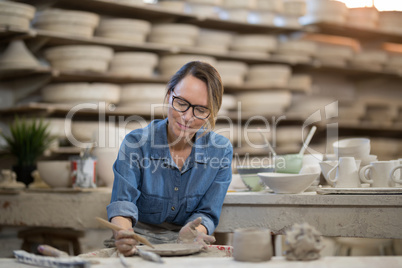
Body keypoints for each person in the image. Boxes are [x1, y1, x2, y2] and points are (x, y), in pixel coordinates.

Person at [107, 61, 233, 256]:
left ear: (211, 114)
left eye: (200, 110)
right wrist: (123, 233)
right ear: (169, 95)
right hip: (138, 242)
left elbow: (207, 213)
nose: (187, 117)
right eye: (181, 103)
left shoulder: (220, 151)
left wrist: (193, 233)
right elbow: (123, 205)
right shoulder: (136, 143)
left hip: (187, 244)